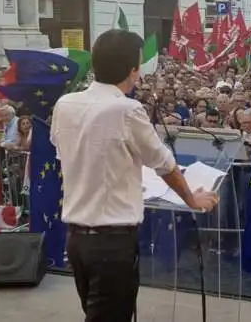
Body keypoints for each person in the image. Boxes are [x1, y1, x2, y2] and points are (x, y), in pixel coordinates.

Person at [51, 29, 220, 322]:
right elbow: (164, 164)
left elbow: (71, 155)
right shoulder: (127, 110)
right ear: (131, 71)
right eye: (139, 66)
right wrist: (192, 199)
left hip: (77, 240)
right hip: (112, 243)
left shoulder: (65, 105)